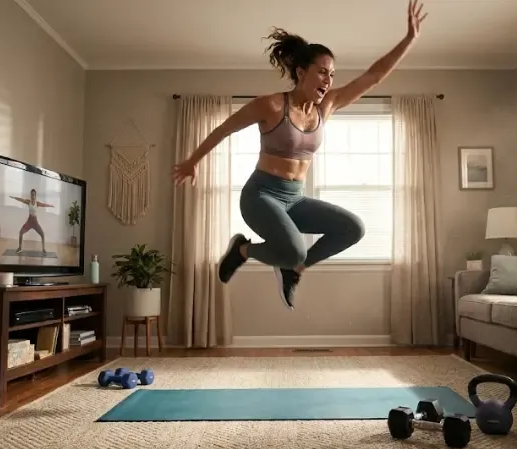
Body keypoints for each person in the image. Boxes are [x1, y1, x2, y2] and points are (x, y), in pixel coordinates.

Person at [172, 0, 427, 309]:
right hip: (260, 196)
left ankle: (294, 270)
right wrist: (193, 161)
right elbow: (224, 129)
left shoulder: (326, 107)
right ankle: (242, 250)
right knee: (294, 249)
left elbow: (373, 76)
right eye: (322, 73)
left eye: (332, 75)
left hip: (295, 199)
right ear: (301, 72)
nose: (328, 81)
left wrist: (409, 39)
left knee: (353, 228)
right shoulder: (271, 105)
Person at [9, 189, 54, 256]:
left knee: (42, 234)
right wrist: (14, 197)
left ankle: (43, 249)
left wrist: (50, 206)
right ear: (31, 195)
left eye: (33, 195)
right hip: (29, 221)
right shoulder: (28, 202)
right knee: (21, 233)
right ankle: (20, 248)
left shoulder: (37, 203)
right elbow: (22, 200)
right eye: (31, 194)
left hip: (35, 222)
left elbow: (43, 205)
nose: (32, 196)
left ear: (35, 195)